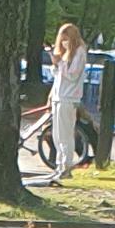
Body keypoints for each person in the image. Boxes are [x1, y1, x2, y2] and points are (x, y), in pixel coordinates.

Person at [45, 18, 89, 178]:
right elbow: (58, 75)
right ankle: (60, 165)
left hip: (68, 97)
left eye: (66, 39)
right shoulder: (66, 54)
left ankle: (66, 166)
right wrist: (56, 64)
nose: (63, 42)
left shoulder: (79, 52)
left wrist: (61, 63)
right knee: (57, 134)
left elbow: (72, 74)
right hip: (60, 96)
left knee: (65, 134)